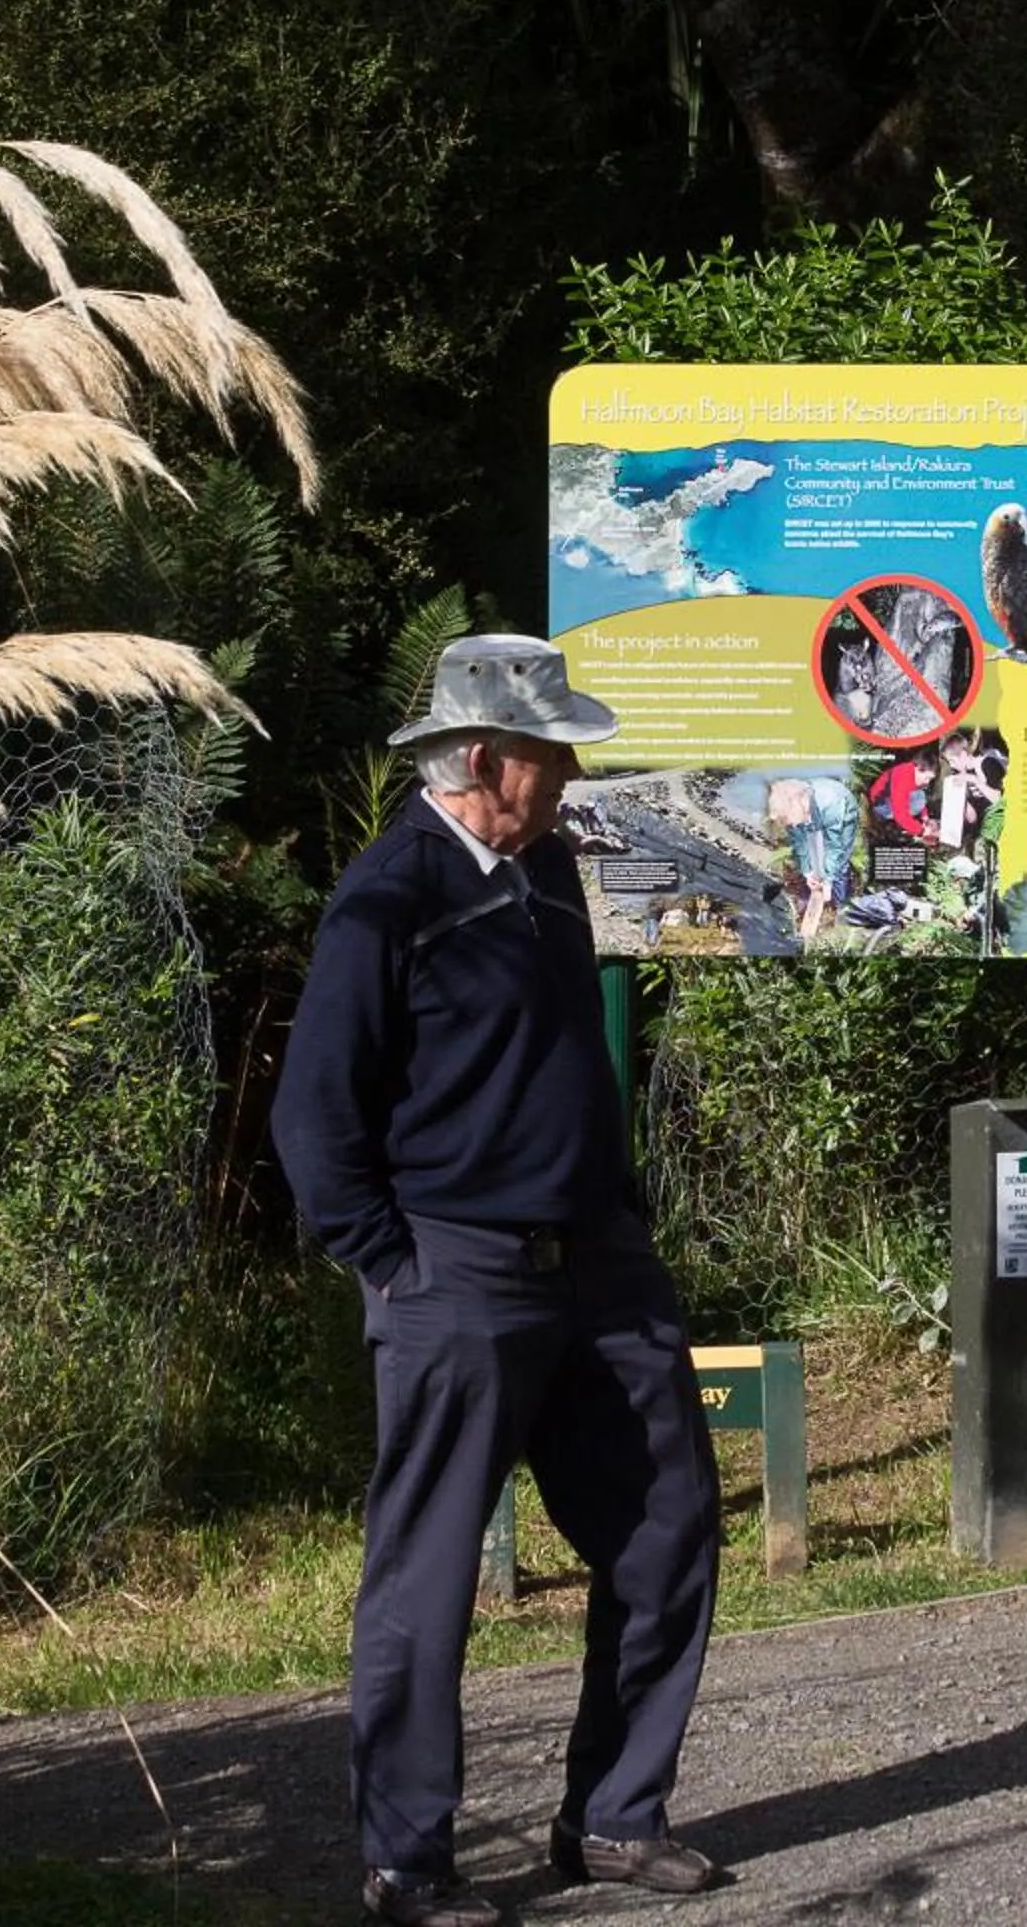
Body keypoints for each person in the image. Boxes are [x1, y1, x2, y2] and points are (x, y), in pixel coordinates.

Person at [273, 634, 724, 1926]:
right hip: (455, 1275)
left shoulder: (545, 876)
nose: (573, 773)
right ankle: (408, 1862)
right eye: (552, 752)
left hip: (598, 1268)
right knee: (426, 1577)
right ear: (482, 759)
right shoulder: (389, 896)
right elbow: (315, 1121)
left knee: (668, 1520)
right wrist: (394, 1268)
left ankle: (612, 1818)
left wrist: (617, 1221)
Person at [764, 774, 859, 941]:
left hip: (842, 812)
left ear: (798, 804)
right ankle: (811, 901)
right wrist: (808, 872)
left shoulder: (832, 803)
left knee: (840, 859)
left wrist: (828, 880)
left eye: (787, 819)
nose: (789, 824)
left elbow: (834, 846)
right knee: (813, 853)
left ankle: (839, 904)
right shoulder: (791, 810)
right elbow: (799, 842)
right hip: (812, 810)